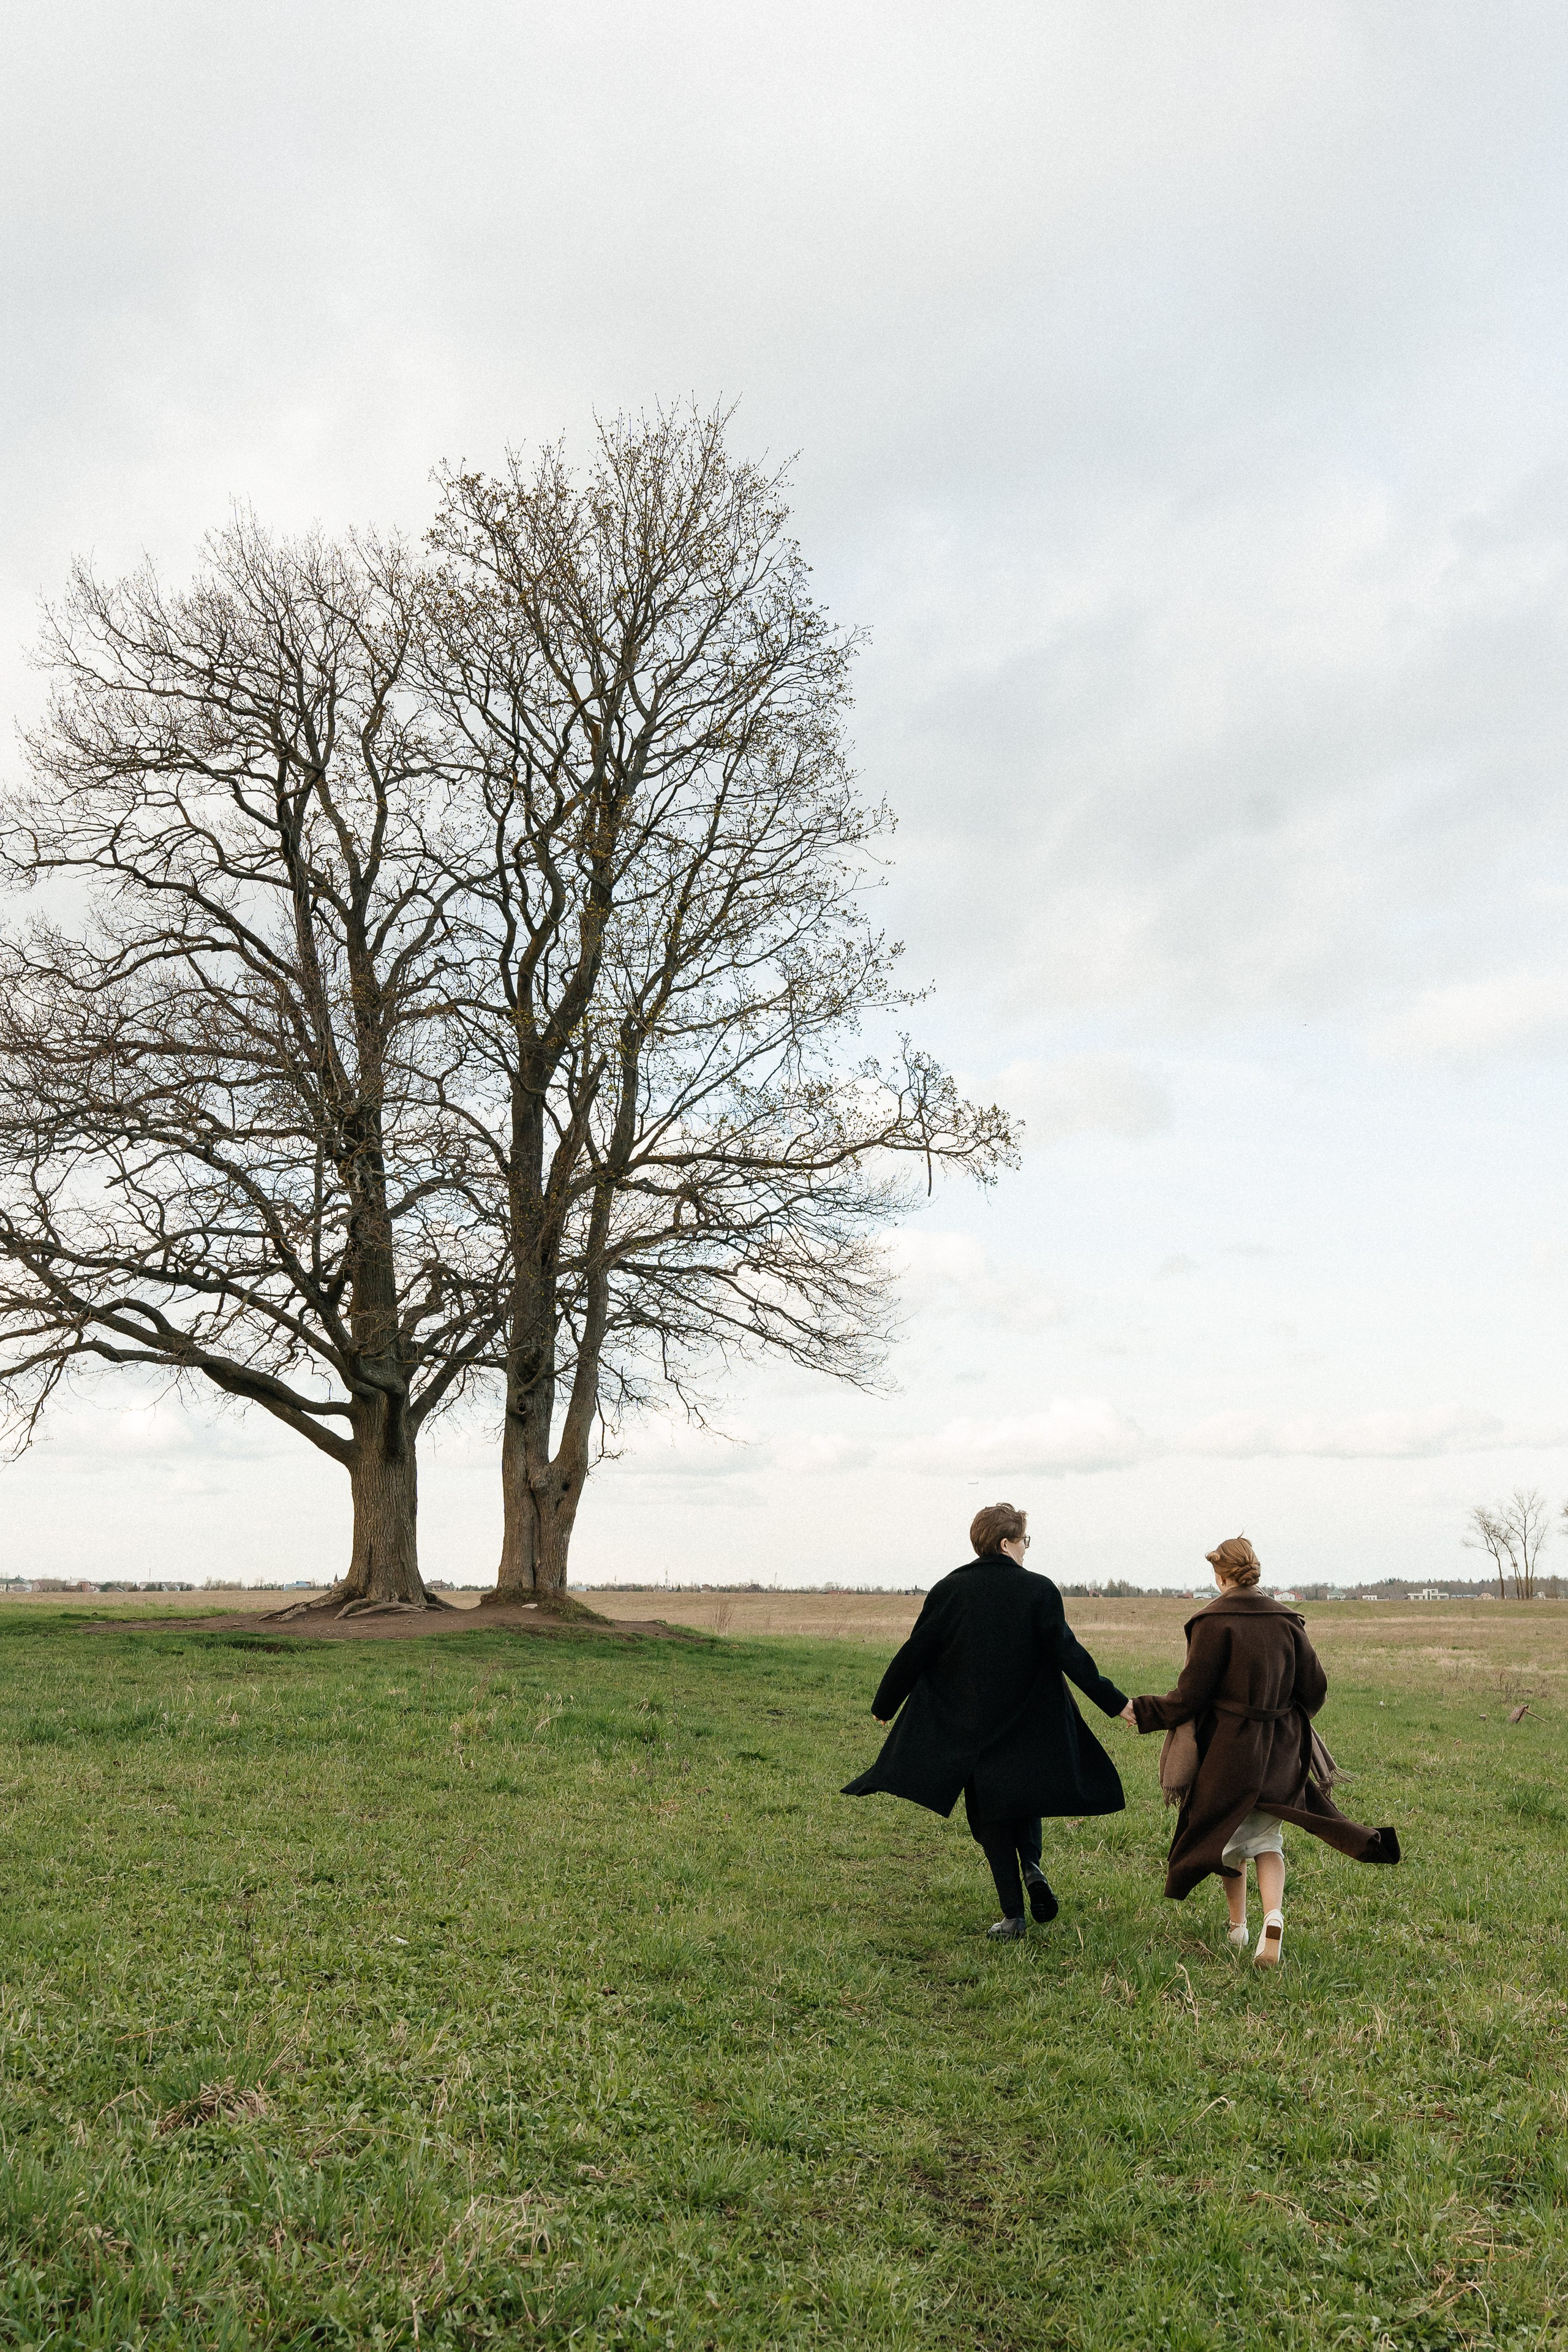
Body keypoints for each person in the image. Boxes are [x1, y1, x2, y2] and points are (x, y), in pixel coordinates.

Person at [842, 1501, 1128, 1939]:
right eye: (1023, 1540)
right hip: (1030, 1719)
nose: (1026, 1548)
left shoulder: (950, 1589)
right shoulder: (1040, 1590)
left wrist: (885, 1704)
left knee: (990, 1817)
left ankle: (1014, 1916)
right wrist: (1117, 1703)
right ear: (1005, 1543)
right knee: (1024, 1798)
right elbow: (1070, 1654)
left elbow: (916, 1650)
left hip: (971, 1723)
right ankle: (1032, 1865)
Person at [1123, 1535, 1400, 1964]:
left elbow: (1190, 1696)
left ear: (1219, 1575)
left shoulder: (1211, 1622)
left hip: (1228, 1753)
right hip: (1283, 1749)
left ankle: (1238, 1927)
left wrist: (1142, 1711)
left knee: (1226, 1838)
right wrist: (1285, 1721)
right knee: (1268, 1839)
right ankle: (1273, 1915)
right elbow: (1316, 1690)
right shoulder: (1288, 1620)